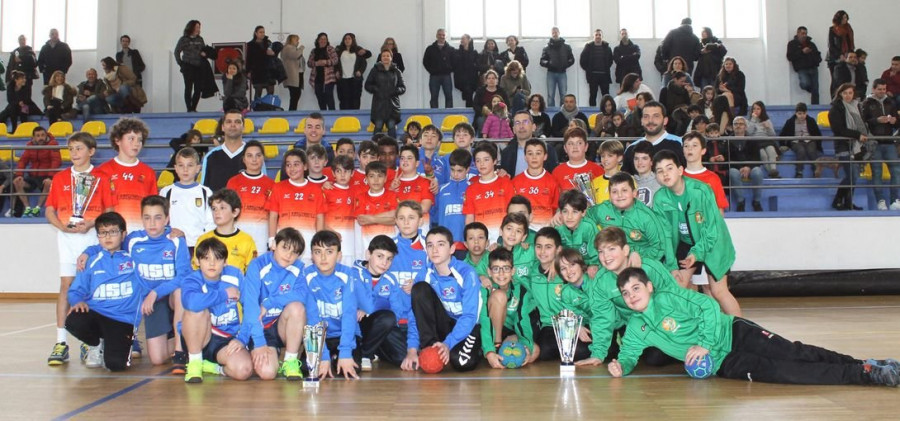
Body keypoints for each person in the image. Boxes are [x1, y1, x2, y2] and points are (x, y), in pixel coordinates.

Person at [608, 267, 900, 387]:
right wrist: (622, 365)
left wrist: (705, 343)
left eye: (636, 288)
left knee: (795, 353)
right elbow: (631, 352)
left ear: (648, 286)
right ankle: (866, 375)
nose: (632, 296)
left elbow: (708, 306)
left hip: (734, 333)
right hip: (725, 362)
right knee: (789, 372)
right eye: (626, 293)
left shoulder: (670, 296)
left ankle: (865, 365)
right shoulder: (636, 325)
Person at [45, 133, 116, 365]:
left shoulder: (102, 177)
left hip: (91, 239)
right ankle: (61, 341)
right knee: (66, 285)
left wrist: (91, 223)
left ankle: (90, 341)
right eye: (71, 149)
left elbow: (110, 209)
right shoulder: (60, 178)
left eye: (79, 148)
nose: (74, 153)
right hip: (67, 239)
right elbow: (49, 210)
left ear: (91, 151)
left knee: (92, 289)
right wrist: (62, 227)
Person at [652, 150, 741, 316]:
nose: (665, 174)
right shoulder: (659, 199)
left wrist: (697, 253)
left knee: (718, 291)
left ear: (680, 170)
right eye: (659, 171)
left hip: (713, 242)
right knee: (677, 286)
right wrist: (671, 266)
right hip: (686, 243)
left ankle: (742, 332)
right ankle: (694, 331)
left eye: (669, 168)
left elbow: (712, 229)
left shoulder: (701, 190)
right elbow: (666, 236)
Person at [576, 227, 679, 367]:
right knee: (648, 357)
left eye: (611, 249)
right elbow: (602, 318)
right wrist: (598, 355)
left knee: (656, 358)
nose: (606, 256)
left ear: (625, 250)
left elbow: (675, 298)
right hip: (634, 327)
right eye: (601, 251)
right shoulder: (601, 281)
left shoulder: (649, 268)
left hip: (664, 322)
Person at [65, 212, 145, 371]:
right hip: (97, 313)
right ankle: (95, 344)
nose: (108, 237)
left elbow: (152, 235)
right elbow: (75, 291)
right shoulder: (90, 261)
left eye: (113, 232)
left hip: (123, 320)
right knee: (73, 319)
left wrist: (172, 231)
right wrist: (77, 301)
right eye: (102, 232)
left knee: (116, 365)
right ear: (98, 236)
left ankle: (120, 343)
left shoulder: (135, 258)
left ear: (123, 235)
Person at [408, 227, 482, 372]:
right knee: (419, 289)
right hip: (444, 324)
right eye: (430, 245)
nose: (435, 250)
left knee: (461, 363)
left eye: (441, 244)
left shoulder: (467, 273)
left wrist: (448, 343)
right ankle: (431, 348)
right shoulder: (425, 274)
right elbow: (415, 314)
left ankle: (477, 348)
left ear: (452, 249)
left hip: (467, 326)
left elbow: (470, 316)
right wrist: (411, 350)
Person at [181, 237, 253, 383]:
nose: (212, 263)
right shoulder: (192, 279)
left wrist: (242, 338)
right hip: (199, 336)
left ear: (225, 262)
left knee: (243, 370)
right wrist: (224, 294)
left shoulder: (235, 275)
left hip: (226, 338)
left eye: (218, 258)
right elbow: (191, 303)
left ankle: (213, 367)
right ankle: (195, 363)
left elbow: (251, 308)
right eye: (206, 258)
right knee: (197, 310)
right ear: (197, 261)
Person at [241, 227, 309, 380]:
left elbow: (303, 295)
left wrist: (269, 303)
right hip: (261, 326)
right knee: (267, 373)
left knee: (297, 308)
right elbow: (251, 306)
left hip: (282, 326)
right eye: (284, 248)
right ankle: (266, 352)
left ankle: (290, 361)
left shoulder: (299, 268)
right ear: (273, 245)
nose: (289, 255)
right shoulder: (257, 265)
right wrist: (259, 343)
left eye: (294, 252)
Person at [301, 231, 363, 380]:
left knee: (347, 370)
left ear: (339, 256)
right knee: (307, 369)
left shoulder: (348, 275)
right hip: (320, 336)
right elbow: (312, 318)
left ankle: (339, 356)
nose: (323, 258)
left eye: (329, 252)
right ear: (312, 256)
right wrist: (323, 356)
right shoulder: (306, 276)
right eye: (318, 252)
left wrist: (346, 352)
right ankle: (331, 358)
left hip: (344, 334)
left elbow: (349, 316)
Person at [524, 229, 592, 362]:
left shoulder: (567, 272)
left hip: (578, 322)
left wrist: (557, 262)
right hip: (550, 325)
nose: (542, 252)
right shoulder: (532, 272)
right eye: (539, 246)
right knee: (544, 352)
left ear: (558, 249)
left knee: (580, 351)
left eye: (548, 247)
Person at [585, 173, 676, 270]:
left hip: (641, 263)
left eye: (624, 190)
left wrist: (640, 258)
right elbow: (584, 223)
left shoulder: (646, 216)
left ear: (634, 193)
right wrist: (594, 260)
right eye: (614, 192)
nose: (619, 195)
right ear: (610, 196)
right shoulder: (602, 210)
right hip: (611, 260)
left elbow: (658, 247)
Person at [353, 235, 412, 370]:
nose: (384, 263)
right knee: (385, 317)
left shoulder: (391, 280)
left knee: (403, 358)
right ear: (368, 254)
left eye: (389, 259)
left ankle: (373, 349)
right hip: (358, 326)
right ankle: (366, 355)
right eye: (380, 256)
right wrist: (362, 309)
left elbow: (397, 311)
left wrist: (369, 310)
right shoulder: (353, 274)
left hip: (381, 325)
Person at [480, 248, 538, 369]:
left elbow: (522, 320)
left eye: (506, 268)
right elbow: (484, 319)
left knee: (535, 351)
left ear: (513, 271)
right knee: (499, 295)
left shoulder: (521, 289)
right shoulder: (485, 288)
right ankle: (496, 346)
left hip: (513, 329)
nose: (501, 274)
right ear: (489, 272)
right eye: (496, 269)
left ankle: (507, 344)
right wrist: (489, 351)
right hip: (494, 329)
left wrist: (527, 346)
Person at [98, 118, 157, 233]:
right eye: (131, 139)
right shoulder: (104, 170)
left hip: (140, 233)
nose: (136, 143)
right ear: (117, 140)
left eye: (140, 140)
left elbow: (152, 206)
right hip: (112, 233)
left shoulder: (148, 172)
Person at [266, 149, 324, 262]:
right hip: (284, 245)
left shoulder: (316, 190)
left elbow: (320, 218)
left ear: (305, 166)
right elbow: (273, 216)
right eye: (288, 165)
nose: (292, 168)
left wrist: (319, 241)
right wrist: (272, 239)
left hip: (308, 244)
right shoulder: (278, 188)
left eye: (296, 164)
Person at [160, 147, 215, 250]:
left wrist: (204, 243)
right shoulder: (166, 192)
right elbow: (161, 220)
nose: (185, 170)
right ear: (175, 168)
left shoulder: (206, 192)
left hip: (198, 246)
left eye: (190, 165)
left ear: (198, 168)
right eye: (181, 165)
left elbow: (211, 222)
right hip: (173, 245)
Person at [225, 140, 272, 258]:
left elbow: (273, 215)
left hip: (261, 238)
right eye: (250, 156)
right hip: (237, 235)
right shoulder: (233, 182)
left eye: (258, 155)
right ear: (244, 159)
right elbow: (228, 212)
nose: (254, 159)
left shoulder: (272, 184)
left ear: (263, 159)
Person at [194, 188, 257, 273]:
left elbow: (252, 273)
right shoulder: (203, 239)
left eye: (222, 208)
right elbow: (195, 270)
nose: (217, 212)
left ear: (235, 212)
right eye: (214, 208)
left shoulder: (247, 240)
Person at [464, 142, 515, 243]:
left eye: (486, 160)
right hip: (482, 242)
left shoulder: (506, 183)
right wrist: (470, 238)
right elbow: (469, 217)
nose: (482, 164)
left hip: (505, 239)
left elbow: (513, 212)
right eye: (478, 161)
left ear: (495, 161)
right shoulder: (471, 189)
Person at [862, 79, 900, 210]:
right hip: (874, 143)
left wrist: (895, 121)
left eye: (884, 89)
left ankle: (895, 200)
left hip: (889, 141)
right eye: (879, 89)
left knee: (896, 171)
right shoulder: (866, 104)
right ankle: (880, 201)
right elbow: (863, 122)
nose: (882, 92)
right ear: (873, 89)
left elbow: (898, 123)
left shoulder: (891, 102)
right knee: (876, 172)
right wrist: (876, 120)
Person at [828, 83, 867, 211]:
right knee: (851, 175)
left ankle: (848, 202)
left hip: (856, 146)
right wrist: (857, 135)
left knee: (854, 176)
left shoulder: (857, 106)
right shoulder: (835, 109)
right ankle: (838, 200)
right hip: (843, 146)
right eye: (845, 93)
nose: (848, 96)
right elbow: (838, 129)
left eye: (850, 93)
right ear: (840, 94)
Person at [622, 101, 686, 175]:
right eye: (646, 116)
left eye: (656, 116)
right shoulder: (631, 149)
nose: (650, 121)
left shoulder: (681, 144)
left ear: (665, 121)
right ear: (641, 121)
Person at [353, 161, 399, 259]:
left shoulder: (392, 195)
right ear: (366, 179)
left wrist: (372, 219)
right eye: (372, 176)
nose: (376, 180)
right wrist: (388, 215)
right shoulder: (360, 197)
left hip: (389, 244)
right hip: (367, 244)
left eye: (380, 176)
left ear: (385, 178)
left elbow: (395, 219)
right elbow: (362, 220)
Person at [11, 127, 59, 217]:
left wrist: (50, 177)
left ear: (46, 135)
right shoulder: (30, 145)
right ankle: (28, 208)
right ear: (33, 137)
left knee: (49, 183)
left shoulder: (53, 144)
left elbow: (56, 161)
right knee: (16, 181)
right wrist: (19, 175)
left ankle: (37, 208)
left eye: (42, 135)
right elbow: (23, 161)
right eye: (38, 136)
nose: (40, 138)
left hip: (46, 175)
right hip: (33, 176)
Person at [513, 139, 560, 231]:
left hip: (546, 232)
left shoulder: (553, 181)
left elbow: (557, 209)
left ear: (545, 156)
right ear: (525, 157)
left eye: (538, 153)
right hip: (522, 232)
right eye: (530, 154)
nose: (534, 157)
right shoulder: (515, 182)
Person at [200, 111, 250, 192]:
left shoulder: (253, 155)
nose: (233, 125)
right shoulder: (210, 157)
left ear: (243, 127)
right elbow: (204, 191)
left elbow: (263, 186)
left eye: (237, 122)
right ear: (222, 127)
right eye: (229, 121)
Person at [555, 190, 600, 277]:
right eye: (565, 211)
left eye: (574, 212)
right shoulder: (558, 229)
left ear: (583, 212)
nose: (569, 216)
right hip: (567, 267)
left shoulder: (589, 227)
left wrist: (593, 264)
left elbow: (596, 253)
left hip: (587, 266)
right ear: (560, 213)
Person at [501, 111, 560, 177]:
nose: (521, 126)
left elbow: (555, 176)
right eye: (517, 123)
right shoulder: (506, 153)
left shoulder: (548, 150)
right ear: (514, 129)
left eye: (525, 122)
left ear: (533, 127)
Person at [682, 132, 729, 213]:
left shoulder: (713, 178)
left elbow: (719, 209)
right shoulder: (678, 177)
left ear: (703, 151)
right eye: (686, 146)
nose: (690, 149)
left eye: (694, 145)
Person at [365, 49, 406, 138]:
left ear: (391, 58)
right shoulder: (375, 70)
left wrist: (394, 91)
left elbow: (403, 87)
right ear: (381, 57)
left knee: (391, 126)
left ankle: (393, 148)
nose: (385, 57)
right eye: (384, 56)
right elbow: (367, 85)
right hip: (379, 105)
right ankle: (375, 149)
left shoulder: (397, 71)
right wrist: (376, 90)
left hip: (392, 105)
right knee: (378, 126)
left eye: (388, 56)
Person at [727, 116, 764, 211]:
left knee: (758, 172)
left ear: (746, 127)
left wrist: (748, 166)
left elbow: (757, 159)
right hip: (735, 168)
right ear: (732, 126)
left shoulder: (753, 140)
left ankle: (757, 201)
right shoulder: (726, 141)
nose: (738, 126)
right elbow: (727, 159)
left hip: (751, 167)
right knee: (732, 172)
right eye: (736, 124)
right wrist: (740, 167)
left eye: (741, 124)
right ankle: (740, 201)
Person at [552, 126, 603, 192]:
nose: (575, 147)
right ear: (565, 148)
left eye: (579, 143)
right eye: (570, 143)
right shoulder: (557, 172)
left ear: (586, 146)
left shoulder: (598, 170)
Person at [779, 102, 822, 179]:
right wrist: (783, 144)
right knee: (801, 150)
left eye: (804, 113)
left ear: (806, 113)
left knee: (811, 150)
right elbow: (782, 134)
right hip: (796, 141)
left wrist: (817, 144)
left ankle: (816, 171)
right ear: (796, 113)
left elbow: (818, 134)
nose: (802, 116)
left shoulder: (811, 121)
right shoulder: (790, 121)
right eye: (799, 113)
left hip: (809, 140)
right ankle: (799, 172)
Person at [174, 20, 208, 112]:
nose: (198, 29)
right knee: (188, 87)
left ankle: (194, 107)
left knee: (198, 89)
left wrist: (205, 54)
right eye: (197, 27)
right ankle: (189, 108)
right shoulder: (183, 39)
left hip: (199, 66)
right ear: (191, 27)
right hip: (188, 66)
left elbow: (204, 50)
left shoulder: (200, 39)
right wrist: (181, 63)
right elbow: (177, 51)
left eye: (199, 27)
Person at [395, 150, 434, 225]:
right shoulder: (394, 184)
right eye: (402, 158)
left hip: (421, 229)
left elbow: (425, 208)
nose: (405, 161)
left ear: (417, 163)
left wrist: (401, 210)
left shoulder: (425, 182)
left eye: (409, 158)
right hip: (398, 229)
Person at [786, 26, 823, 105]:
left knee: (816, 90)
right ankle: (811, 90)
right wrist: (802, 52)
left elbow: (817, 54)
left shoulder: (811, 44)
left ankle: (815, 107)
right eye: (802, 33)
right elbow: (790, 56)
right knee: (805, 83)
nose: (804, 35)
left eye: (805, 33)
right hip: (802, 68)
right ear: (798, 33)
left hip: (813, 67)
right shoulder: (792, 44)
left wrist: (817, 60)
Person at [540, 27, 575, 108]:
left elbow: (572, 59)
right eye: (553, 32)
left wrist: (565, 64)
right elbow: (542, 61)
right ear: (551, 34)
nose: (554, 34)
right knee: (550, 95)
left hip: (562, 73)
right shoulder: (546, 47)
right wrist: (549, 64)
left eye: (556, 32)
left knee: (563, 95)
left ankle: (563, 112)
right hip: (551, 73)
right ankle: (551, 114)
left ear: (559, 33)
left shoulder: (567, 47)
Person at [334, 33, 371, 110]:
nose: (347, 40)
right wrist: (336, 71)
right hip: (342, 79)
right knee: (344, 100)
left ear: (353, 40)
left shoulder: (358, 49)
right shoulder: (339, 50)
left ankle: (355, 118)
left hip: (355, 79)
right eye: (345, 39)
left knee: (355, 99)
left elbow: (365, 59)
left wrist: (360, 71)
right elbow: (335, 62)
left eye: (349, 38)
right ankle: (344, 118)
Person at [580, 29, 614, 106]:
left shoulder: (607, 48)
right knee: (593, 95)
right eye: (596, 35)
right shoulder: (588, 47)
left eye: (599, 35)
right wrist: (588, 70)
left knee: (606, 95)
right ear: (593, 36)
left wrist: (605, 68)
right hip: (593, 76)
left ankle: (607, 111)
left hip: (604, 75)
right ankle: (592, 112)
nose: (598, 36)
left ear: (602, 36)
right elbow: (582, 60)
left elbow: (610, 60)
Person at [423, 29, 455, 109]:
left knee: (449, 96)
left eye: (443, 35)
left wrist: (449, 69)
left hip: (446, 76)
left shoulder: (451, 49)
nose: (441, 36)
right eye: (440, 35)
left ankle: (449, 116)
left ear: (446, 36)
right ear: (437, 36)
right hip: (434, 76)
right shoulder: (430, 49)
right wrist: (432, 70)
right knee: (434, 97)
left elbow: (455, 62)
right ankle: (434, 115)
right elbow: (425, 61)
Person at [747, 101, 779, 178]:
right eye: (754, 109)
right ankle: (772, 173)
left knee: (771, 150)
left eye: (758, 109)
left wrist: (768, 128)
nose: (756, 111)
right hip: (756, 142)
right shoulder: (750, 121)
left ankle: (773, 169)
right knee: (763, 155)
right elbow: (748, 133)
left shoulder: (767, 121)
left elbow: (773, 135)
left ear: (762, 110)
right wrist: (753, 120)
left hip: (767, 141)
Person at [307, 32, 338, 111]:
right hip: (317, 77)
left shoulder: (330, 49)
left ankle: (332, 115)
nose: (323, 41)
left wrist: (325, 62)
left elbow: (335, 60)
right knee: (319, 96)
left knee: (329, 96)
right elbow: (309, 63)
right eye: (321, 39)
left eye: (325, 39)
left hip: (329, 77)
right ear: (318, 40)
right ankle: (323, 114)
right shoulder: (314, 51)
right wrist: (316, 63)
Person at [245, 26, 276, 100]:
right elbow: (248, 59)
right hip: (257, 71)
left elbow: (275, 55)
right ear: (256, 33)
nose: (262, 34)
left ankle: (270, 108)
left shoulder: (268, 43)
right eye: (260, 32)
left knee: (271, 92)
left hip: (269, 71)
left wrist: (273, 53)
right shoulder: (250, 45)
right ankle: (257, 109)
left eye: (263, 32)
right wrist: (248, 71)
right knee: (258, 92)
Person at [591, 139, 625, 205]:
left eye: (610, 156)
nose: (605, 159)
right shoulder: (595, 182)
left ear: (619, 158)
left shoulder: (627, 180)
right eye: (603, 156)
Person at [826, 10, 854, 90]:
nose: (845, 19)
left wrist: (851, 55)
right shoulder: (832, 29)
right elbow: (831, 45)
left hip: (846, 57)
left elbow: (850, 43)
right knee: (835, 80)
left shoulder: (849, 29)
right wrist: (839, 55)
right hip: (834, 58)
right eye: (843, 18)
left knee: (845, 79)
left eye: (846, 17)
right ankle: (834, 99)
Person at [630, 141, 662, 206]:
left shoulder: (661, 182)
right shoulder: (629, 182)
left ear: (652, 161)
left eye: (644, 158)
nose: (639, 162)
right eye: (636, 159)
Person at [281, 34, 306, 111]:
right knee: (295, 95)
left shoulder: (294, 48)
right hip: (292, 75)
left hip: (298, 74)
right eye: (296, 40)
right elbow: (295, 55)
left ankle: (293, 110)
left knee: (297, 94)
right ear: (291, 40)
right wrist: (301, 48)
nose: (298, 42)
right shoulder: (288, 48)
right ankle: (292, 112)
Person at [453, 34, 478, 108]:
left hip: (471, 78)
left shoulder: (474, 52)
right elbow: (455, 64)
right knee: (468, 97)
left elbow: (477, 65)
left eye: (463, 38)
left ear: (469, 40)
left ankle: (471, 113)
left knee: (469, 97)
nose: (462, 40)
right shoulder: (457, 52)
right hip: (461, 79)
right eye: (461, 39)